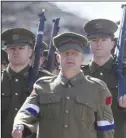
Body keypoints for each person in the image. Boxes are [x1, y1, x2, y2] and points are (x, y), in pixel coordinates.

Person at [12, 32, 114, 138]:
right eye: (66, 53)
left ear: (82, 58)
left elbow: (106, 128)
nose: (70, 57)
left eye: (74, 53)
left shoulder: (97, 89)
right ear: (58, 58)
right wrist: (20, 125)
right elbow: (27, 111)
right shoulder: (42, 87)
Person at [1, 28, 53, 138]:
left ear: (30, 52)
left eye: (21, 48)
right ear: (6, 51)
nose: (16, 51)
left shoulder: (46, 80)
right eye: (12, 48)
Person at [82, 19, 126, 138]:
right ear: (89, 43)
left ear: (113, 43)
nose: (98, 43)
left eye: (103, 39)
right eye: (94, 40)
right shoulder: (79, 74)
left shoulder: (124, 73)